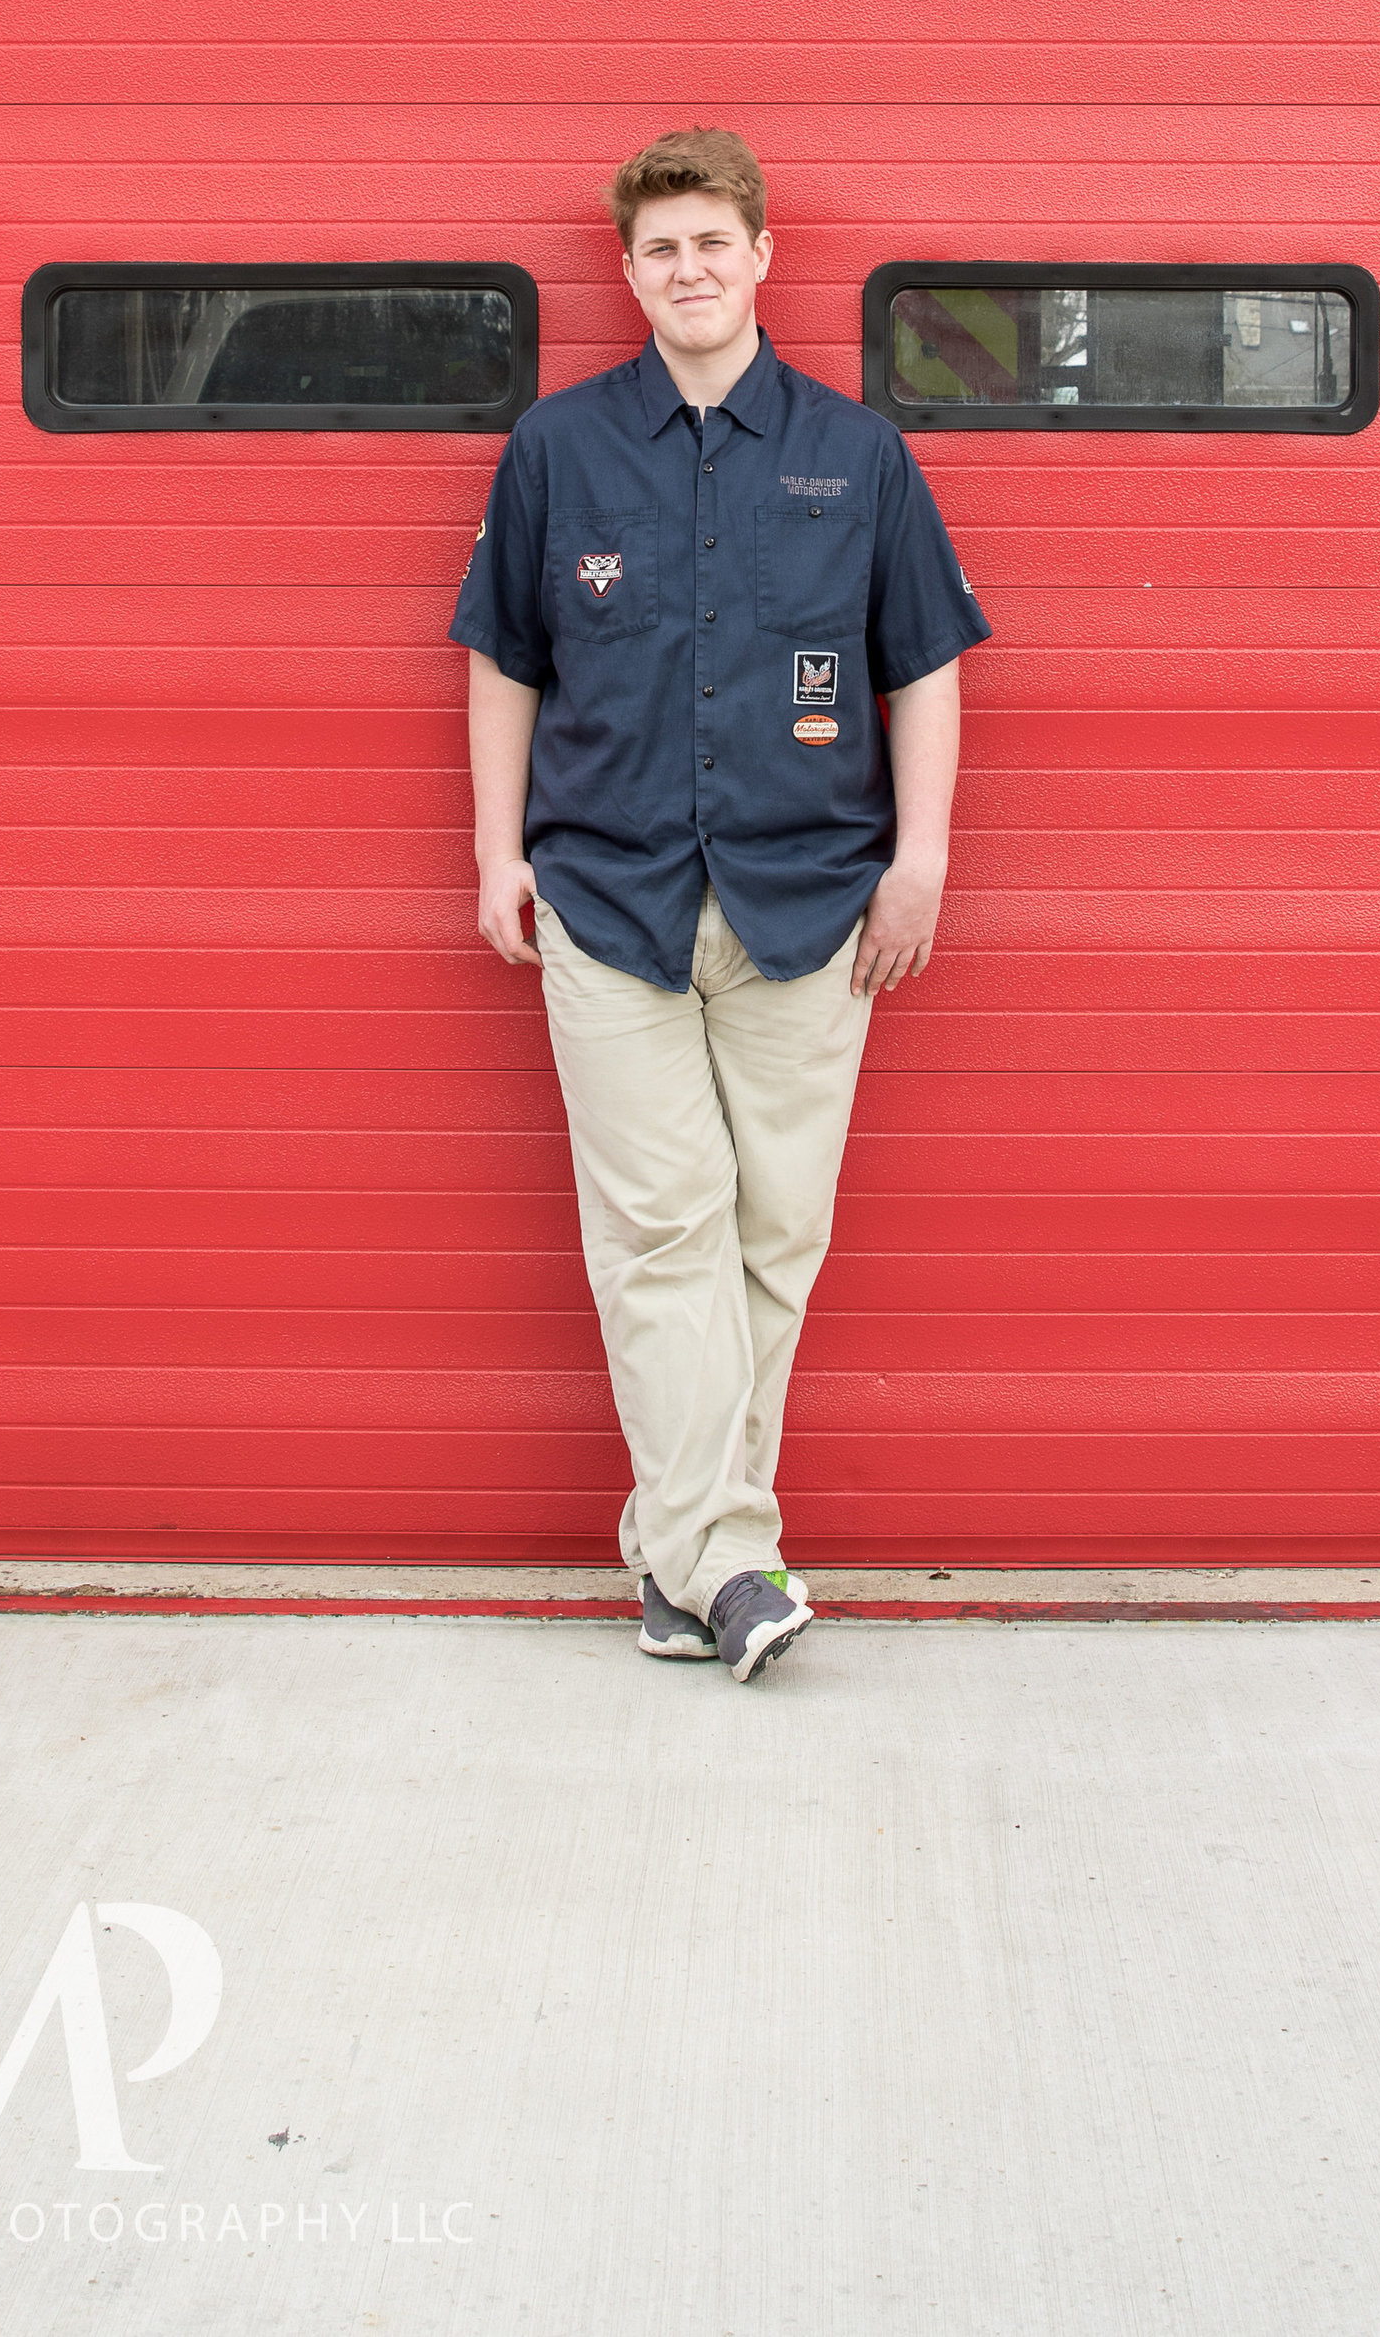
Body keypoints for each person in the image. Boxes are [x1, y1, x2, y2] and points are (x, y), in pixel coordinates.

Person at [450, 128, 990, 1682]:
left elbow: (925, 666)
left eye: (713, 241)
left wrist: (925, 859)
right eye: (662, 247)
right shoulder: (559, 448)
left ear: (762, 257)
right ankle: (736, 1557)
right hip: (607, 898)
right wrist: (499, 854)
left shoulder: (857, 454)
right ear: (629, 274)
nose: (690, 268)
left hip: (809, 907)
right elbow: (504, 660)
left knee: (772, 1233)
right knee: (661, 1227)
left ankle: (679, 1562)